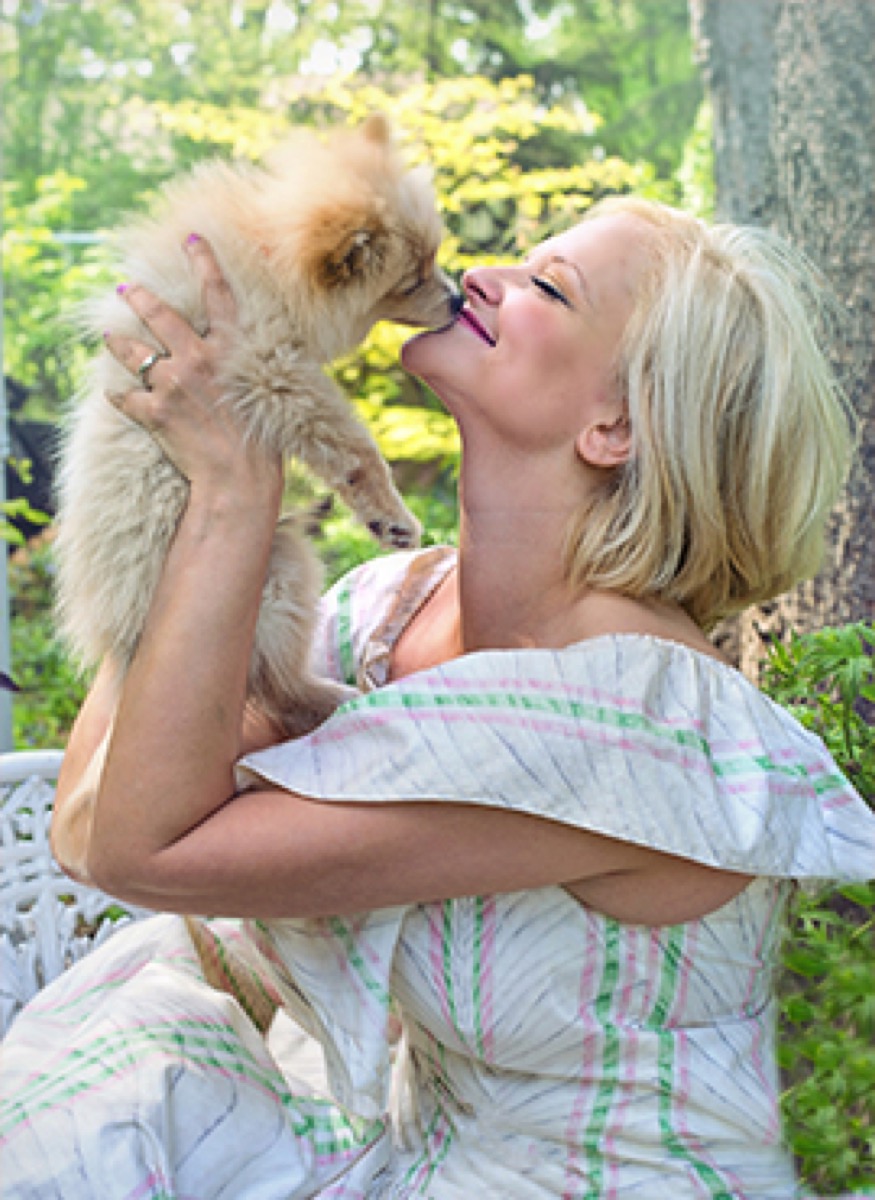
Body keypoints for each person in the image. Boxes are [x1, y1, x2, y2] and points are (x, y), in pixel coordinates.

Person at [2, 196, 874, 1199]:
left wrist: (235, 498)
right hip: (416, 1159)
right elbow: (90, 826)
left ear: (614, 426)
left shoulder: (635, 717)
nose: (482, 278)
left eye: (548, 287)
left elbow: (142, 851)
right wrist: (180, 468)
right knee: (118, 1083)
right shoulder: (390, 610)